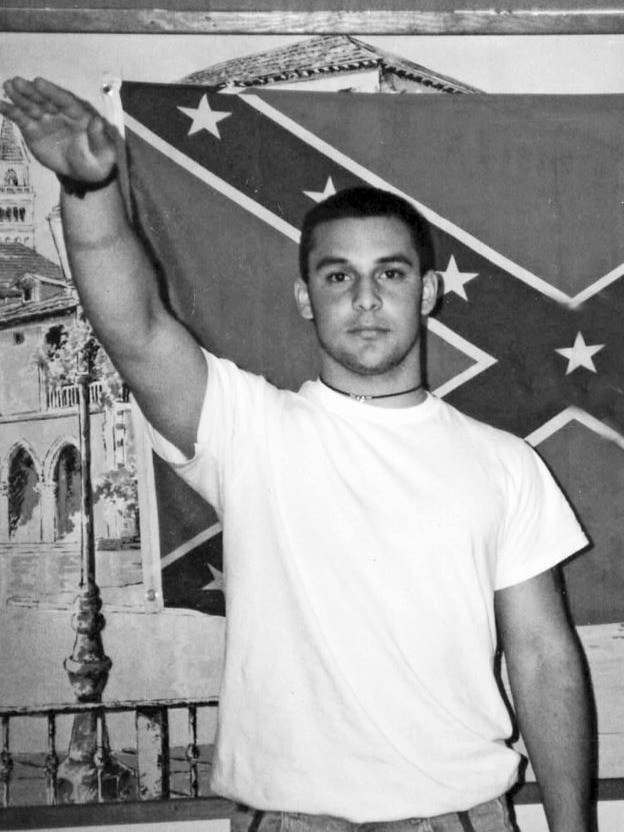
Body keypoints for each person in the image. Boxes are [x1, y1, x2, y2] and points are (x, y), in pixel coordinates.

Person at [0, 78, 594, 832]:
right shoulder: (251, 429)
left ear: (430, 292)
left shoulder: (507, 464)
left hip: (462, 818)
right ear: (307, 298)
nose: (367, 297)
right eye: (338, 276)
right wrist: (90, 187)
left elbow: (543, 659)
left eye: (392, 273)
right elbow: (137, 328)